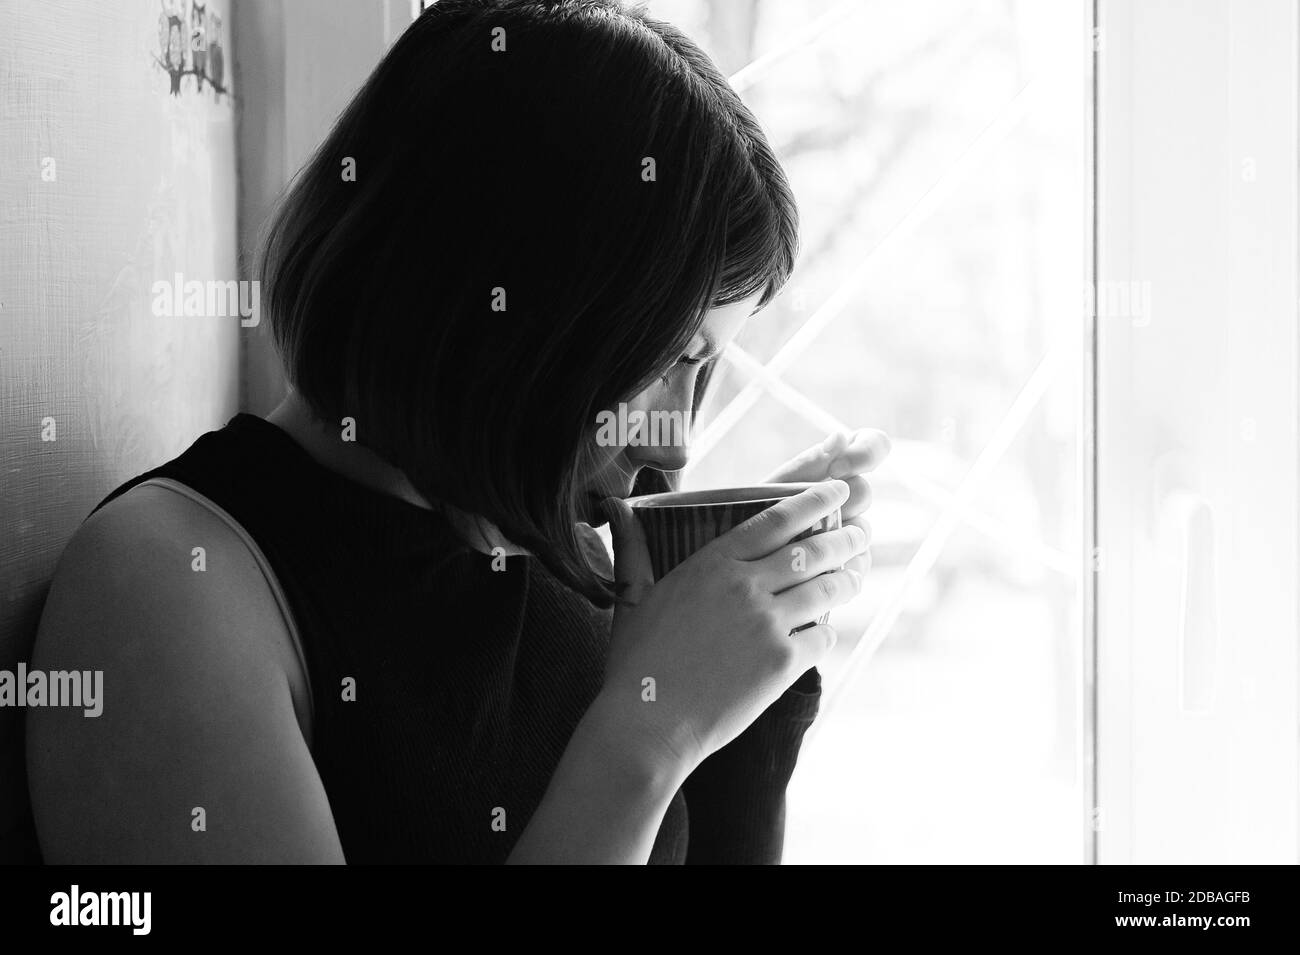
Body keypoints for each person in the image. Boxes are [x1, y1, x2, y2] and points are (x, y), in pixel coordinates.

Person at [26, 0, 889, 864]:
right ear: (513, 307)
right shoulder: (173, 577)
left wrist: (749, 690)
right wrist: (644, 740)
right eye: (667, 356)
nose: (675, 445)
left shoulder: (587, 575)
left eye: (706, 371)